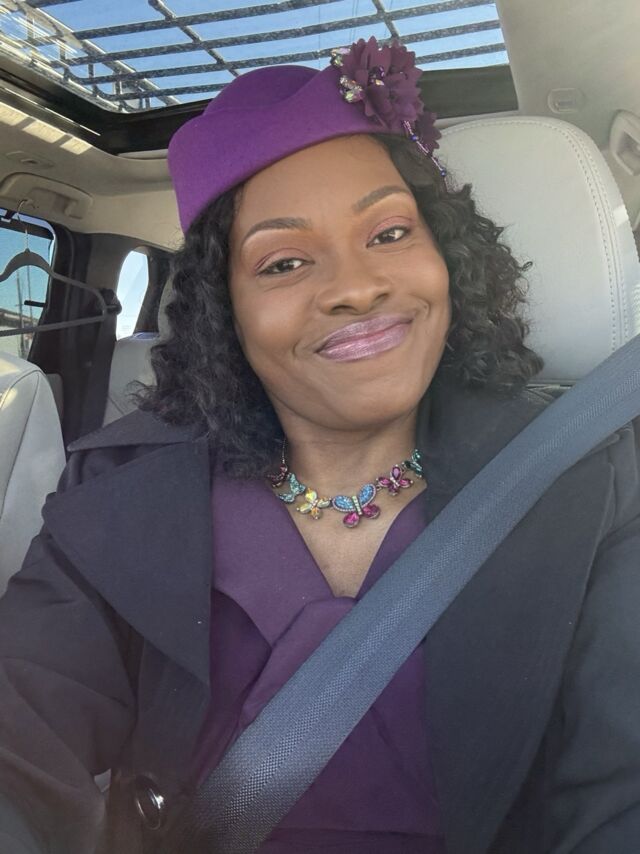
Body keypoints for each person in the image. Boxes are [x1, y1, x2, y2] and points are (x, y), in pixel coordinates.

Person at [1, 36, 639, 854]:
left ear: (448, 254)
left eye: (389, 233)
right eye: (284, 262)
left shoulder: (593, 479)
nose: (356, 287)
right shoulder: (117, 488)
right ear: (223, 309)